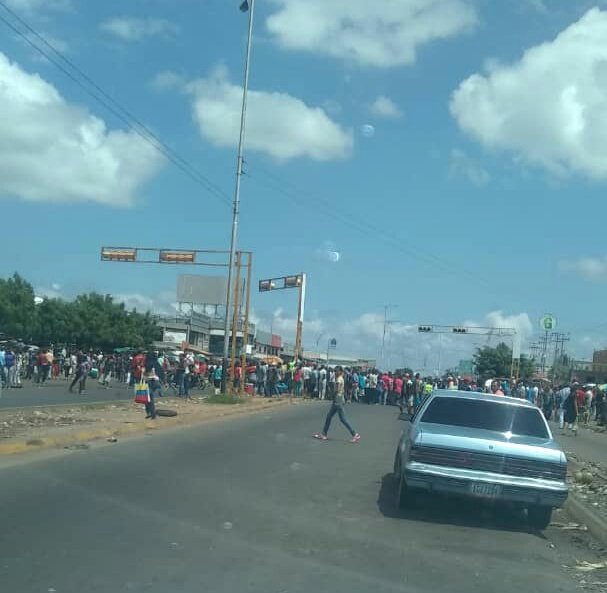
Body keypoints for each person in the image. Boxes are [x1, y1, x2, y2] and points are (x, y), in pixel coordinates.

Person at [314, 367, 361, 443]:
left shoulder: (339, 379)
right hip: (338, 399)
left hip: (337, 400)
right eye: (335, 371)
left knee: (342, 419)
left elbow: (337, 390)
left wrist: (332, 394)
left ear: (340, 372)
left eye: (337, 371)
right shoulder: (340, 378)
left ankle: (355, 434)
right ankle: (324, 433)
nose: (335, 372)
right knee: (329, 417)